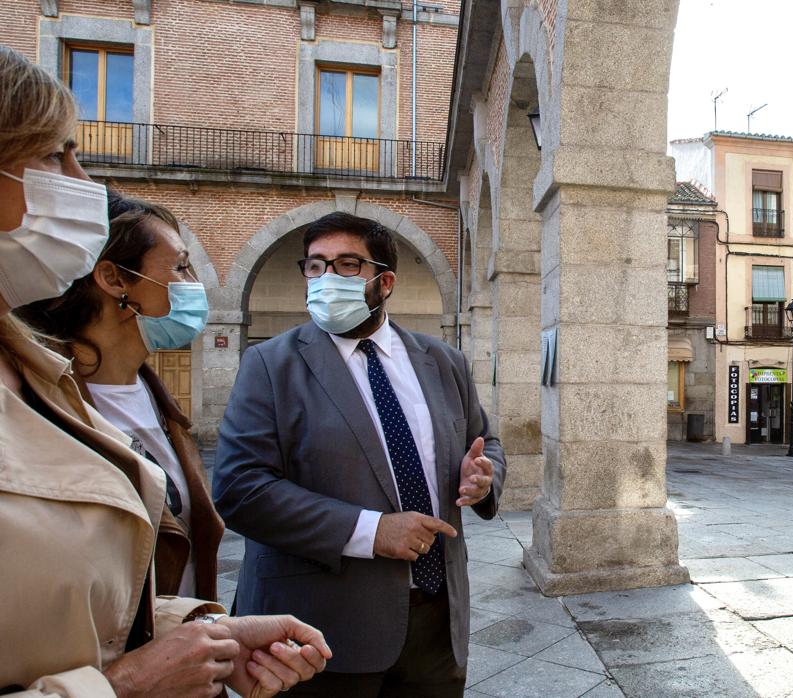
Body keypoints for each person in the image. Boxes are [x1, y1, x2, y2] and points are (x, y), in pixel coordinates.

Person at [0, 45, 330, 697]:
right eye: (53, 155)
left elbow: (75, 609)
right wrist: (123, 686)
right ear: (114, 283)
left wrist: (206, 638)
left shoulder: (36, 375)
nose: (83, 182)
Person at [213, 212, 507, 697]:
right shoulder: (268, 364)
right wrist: (371, 532)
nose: (326, 278)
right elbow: (240, 488)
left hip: (436, 622)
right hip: (318, 632)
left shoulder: (443, 361)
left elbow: (484, 440)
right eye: (314, 266)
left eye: (347, 265)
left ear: (384, 281)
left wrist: (483, 478)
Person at [19, 191, 223, 599]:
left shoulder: (160, 403)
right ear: (114, 279)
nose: (195, 285)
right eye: (181, 267)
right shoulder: (32, 404)